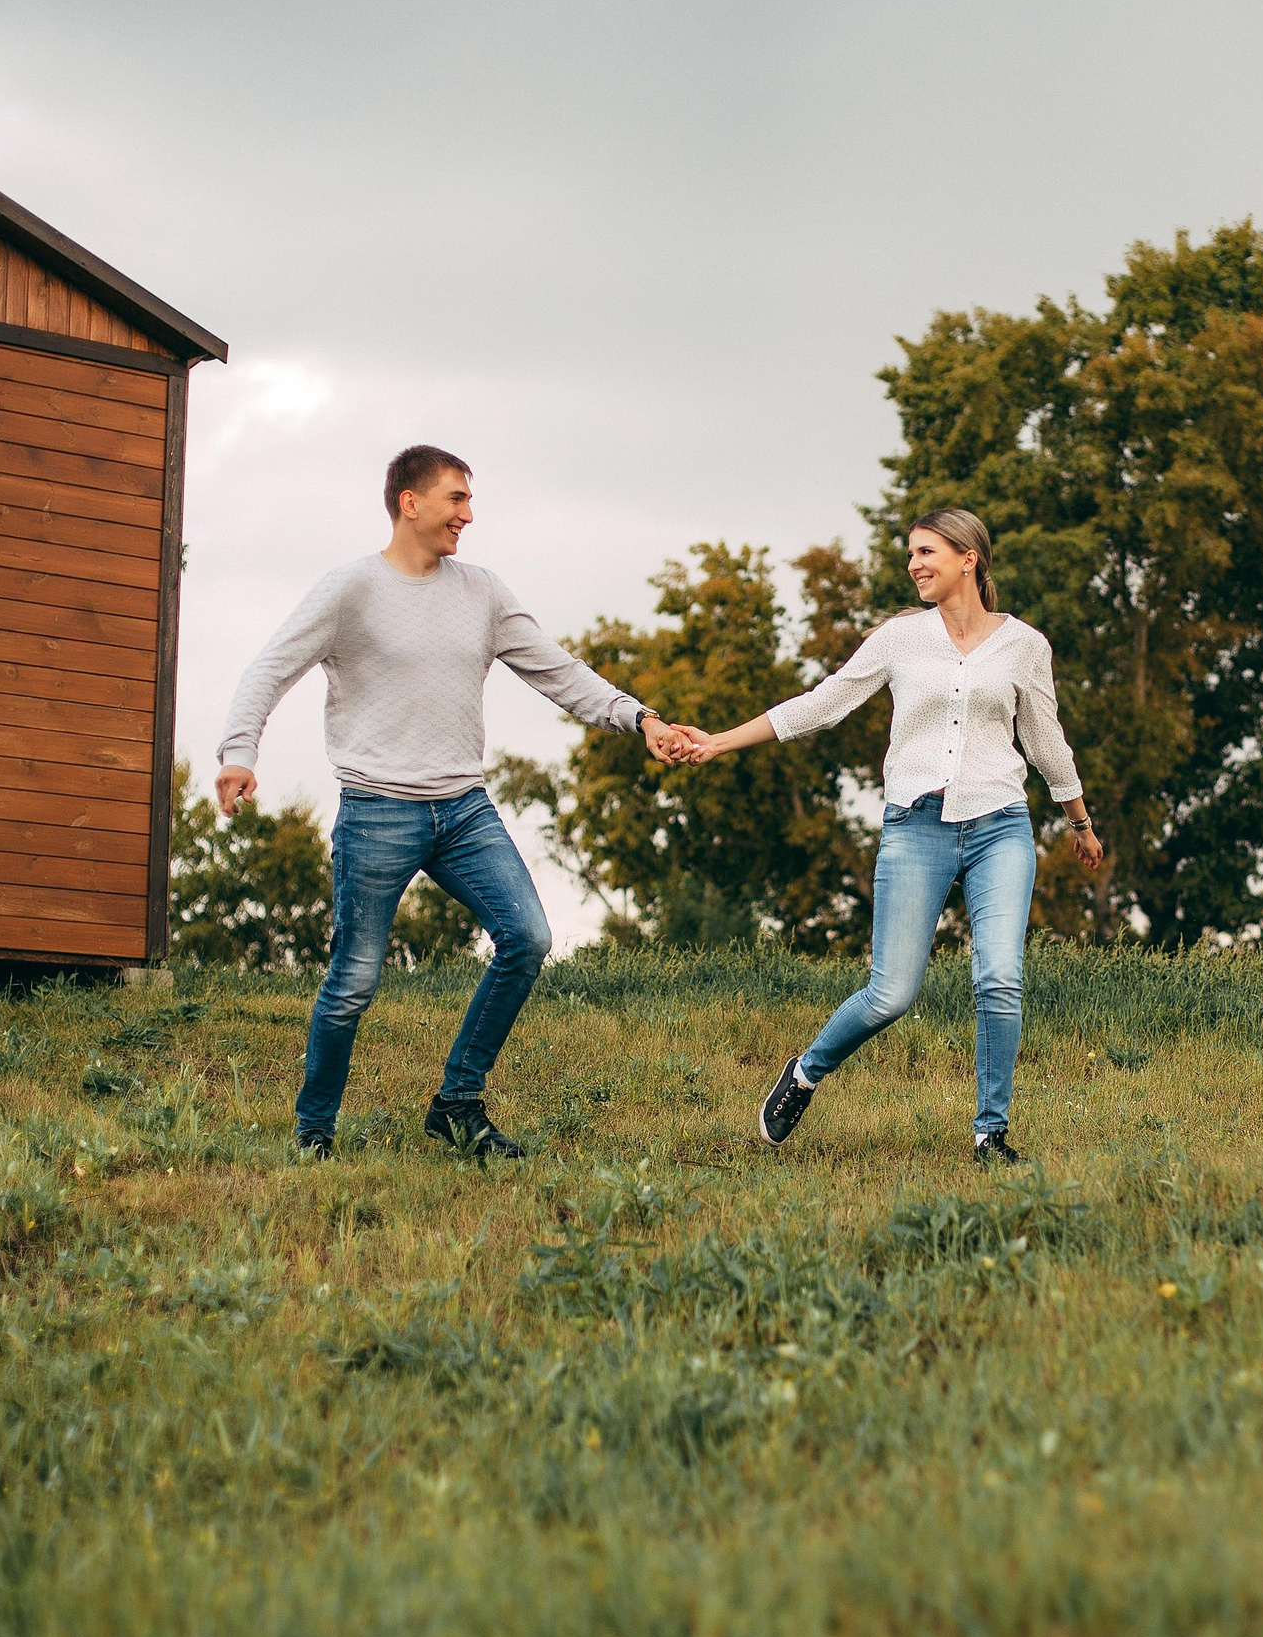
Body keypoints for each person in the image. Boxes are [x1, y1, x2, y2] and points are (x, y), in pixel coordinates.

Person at [214, 444, 694, 1161]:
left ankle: (457, 1104)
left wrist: (641, 717)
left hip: (463, 809)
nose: (468, 515)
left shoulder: (482, 593)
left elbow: (559, 672)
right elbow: (270, 667)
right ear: (410, 502)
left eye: (469, 501)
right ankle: (314, 1132)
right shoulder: (350, 589)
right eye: (456, 499)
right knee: (354, 981)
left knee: (527, 938)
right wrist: (237, 753)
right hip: (377, 809)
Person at [682, 509, 1103, 1164]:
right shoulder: (900, 638)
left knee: (998, 977)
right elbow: (822, 703)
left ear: (970, 557)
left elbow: (1046, 739)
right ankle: (804, 1074)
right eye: (911, 553)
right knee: (892, 992)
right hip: (916, 825)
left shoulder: (1025, 644)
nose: (914, 564)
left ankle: (990, 1133)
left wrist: (1078, 820)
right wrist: (719, 742)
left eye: (927, 551)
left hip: (999, 825)